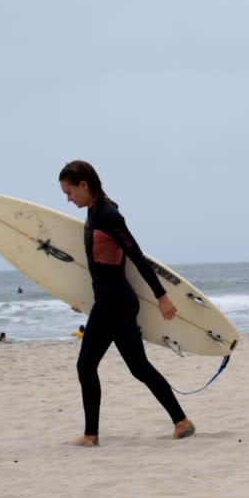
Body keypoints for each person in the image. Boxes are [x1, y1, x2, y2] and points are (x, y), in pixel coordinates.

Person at [59, 160, 195, 447]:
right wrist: (81, 298)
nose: (68, 199)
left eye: (70, 193)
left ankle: (90, 435)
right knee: (139, 367)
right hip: (110, 301)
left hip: (114, 303)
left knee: (86, 366)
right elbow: (98, 267)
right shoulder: (94, 213)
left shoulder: (109, 216)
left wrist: (161, 296)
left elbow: (135, 255)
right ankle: (181, 422)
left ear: (84, 184)